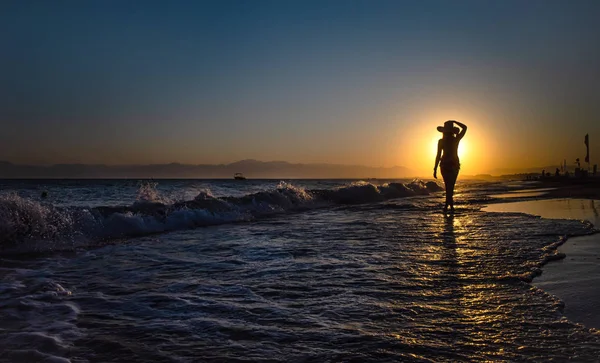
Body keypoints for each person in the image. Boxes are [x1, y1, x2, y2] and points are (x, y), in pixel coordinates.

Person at [433, 120, 467, 212]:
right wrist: (455, 122)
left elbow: (438, 155)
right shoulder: (456, 139)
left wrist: (435, 168)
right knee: (450, 186)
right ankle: (449, 206)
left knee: (448, 187)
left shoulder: (442, 141)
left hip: (445, 165)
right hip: (453, 165)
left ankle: (448, 206)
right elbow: (465, 127)